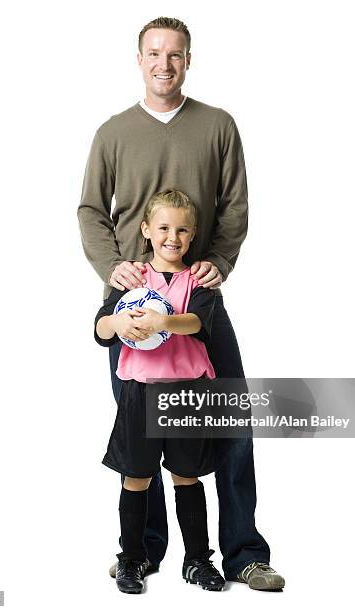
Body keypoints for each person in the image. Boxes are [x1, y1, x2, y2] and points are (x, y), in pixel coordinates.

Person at [78, 16, 285, 590]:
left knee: (228, 421)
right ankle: (141, 554)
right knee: (142, 438)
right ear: (139, 59)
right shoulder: (113, 133)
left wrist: (217, 261)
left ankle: (242, 553)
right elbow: (91, 210)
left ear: (188, 60)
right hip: (134, 309)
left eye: (175, 54)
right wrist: (109, 267)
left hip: (198, 302)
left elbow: (235, 204)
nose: (164, 63)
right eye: (153, 53)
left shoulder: (217, 125)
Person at [95, 189, 226, 594]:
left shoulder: (199, 280)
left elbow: (195, 323)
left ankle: (198, 561)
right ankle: (132, 560)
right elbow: (100, 326)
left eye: (183, 229)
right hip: (140, 392)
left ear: (193, 235)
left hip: (185, 393)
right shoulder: (132, 280)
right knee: (136, 477)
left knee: (186, 477)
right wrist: (117, 325)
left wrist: (162, 321)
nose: (174, 236)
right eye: (165, 227)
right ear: (147, 230)